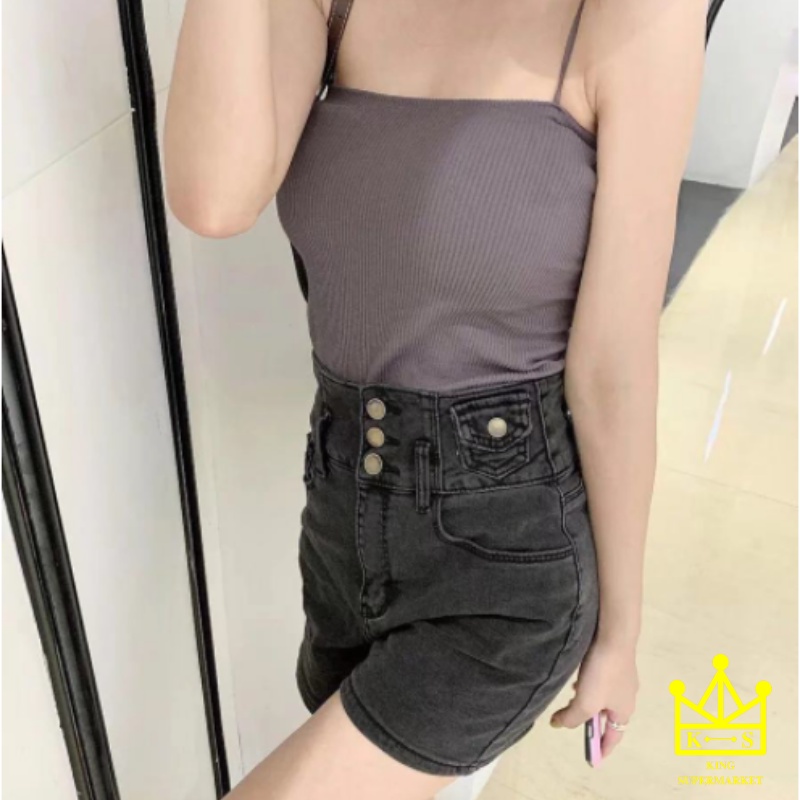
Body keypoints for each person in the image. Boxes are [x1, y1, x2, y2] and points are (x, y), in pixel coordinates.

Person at [164, 1, 707, 798]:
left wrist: (620, 635)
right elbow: (213, 200)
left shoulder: (638, 19)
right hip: (342, 533)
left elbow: (612, 370)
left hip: (507, 559)